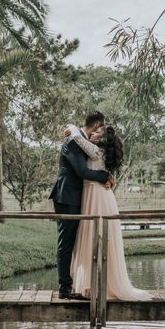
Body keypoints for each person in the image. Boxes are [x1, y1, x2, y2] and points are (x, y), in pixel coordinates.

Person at [66, 123, 150, 301]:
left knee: (96, 237)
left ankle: (98, 285)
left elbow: (77, 137)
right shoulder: (101, 153)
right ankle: (90, 284)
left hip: (98, 198)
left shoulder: (97, 151)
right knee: (90, 237)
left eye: (97, 132)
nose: (93, 133)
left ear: (103, 139)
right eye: (94, 130)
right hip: (96, 195)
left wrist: (72, 126)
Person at [49, 111, 111, 300]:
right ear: (97, 125)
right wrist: (105, 176)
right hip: (67, 196)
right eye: (101, 127)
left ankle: (73, 282)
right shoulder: (73, 142)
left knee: (73, 241)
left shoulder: (80, 139)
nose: (101, 131)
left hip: (76, 197)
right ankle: (64, 288)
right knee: (66, 242)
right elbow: (82, 171)